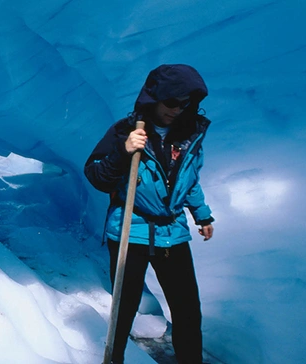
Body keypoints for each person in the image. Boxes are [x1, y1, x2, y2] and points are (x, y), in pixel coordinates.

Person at [84, 64, 215, 364]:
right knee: (124, 307)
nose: (177, 110)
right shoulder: (124, 131)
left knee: (187, 310)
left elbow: (188, 179)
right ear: (154, 98)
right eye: (171, 102)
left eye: (185, 104)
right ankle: (113, 359)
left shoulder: (190, 135)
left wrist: (202, 215)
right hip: (131, 229)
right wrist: (122, 151)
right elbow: (96, 176)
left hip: (173, 232)